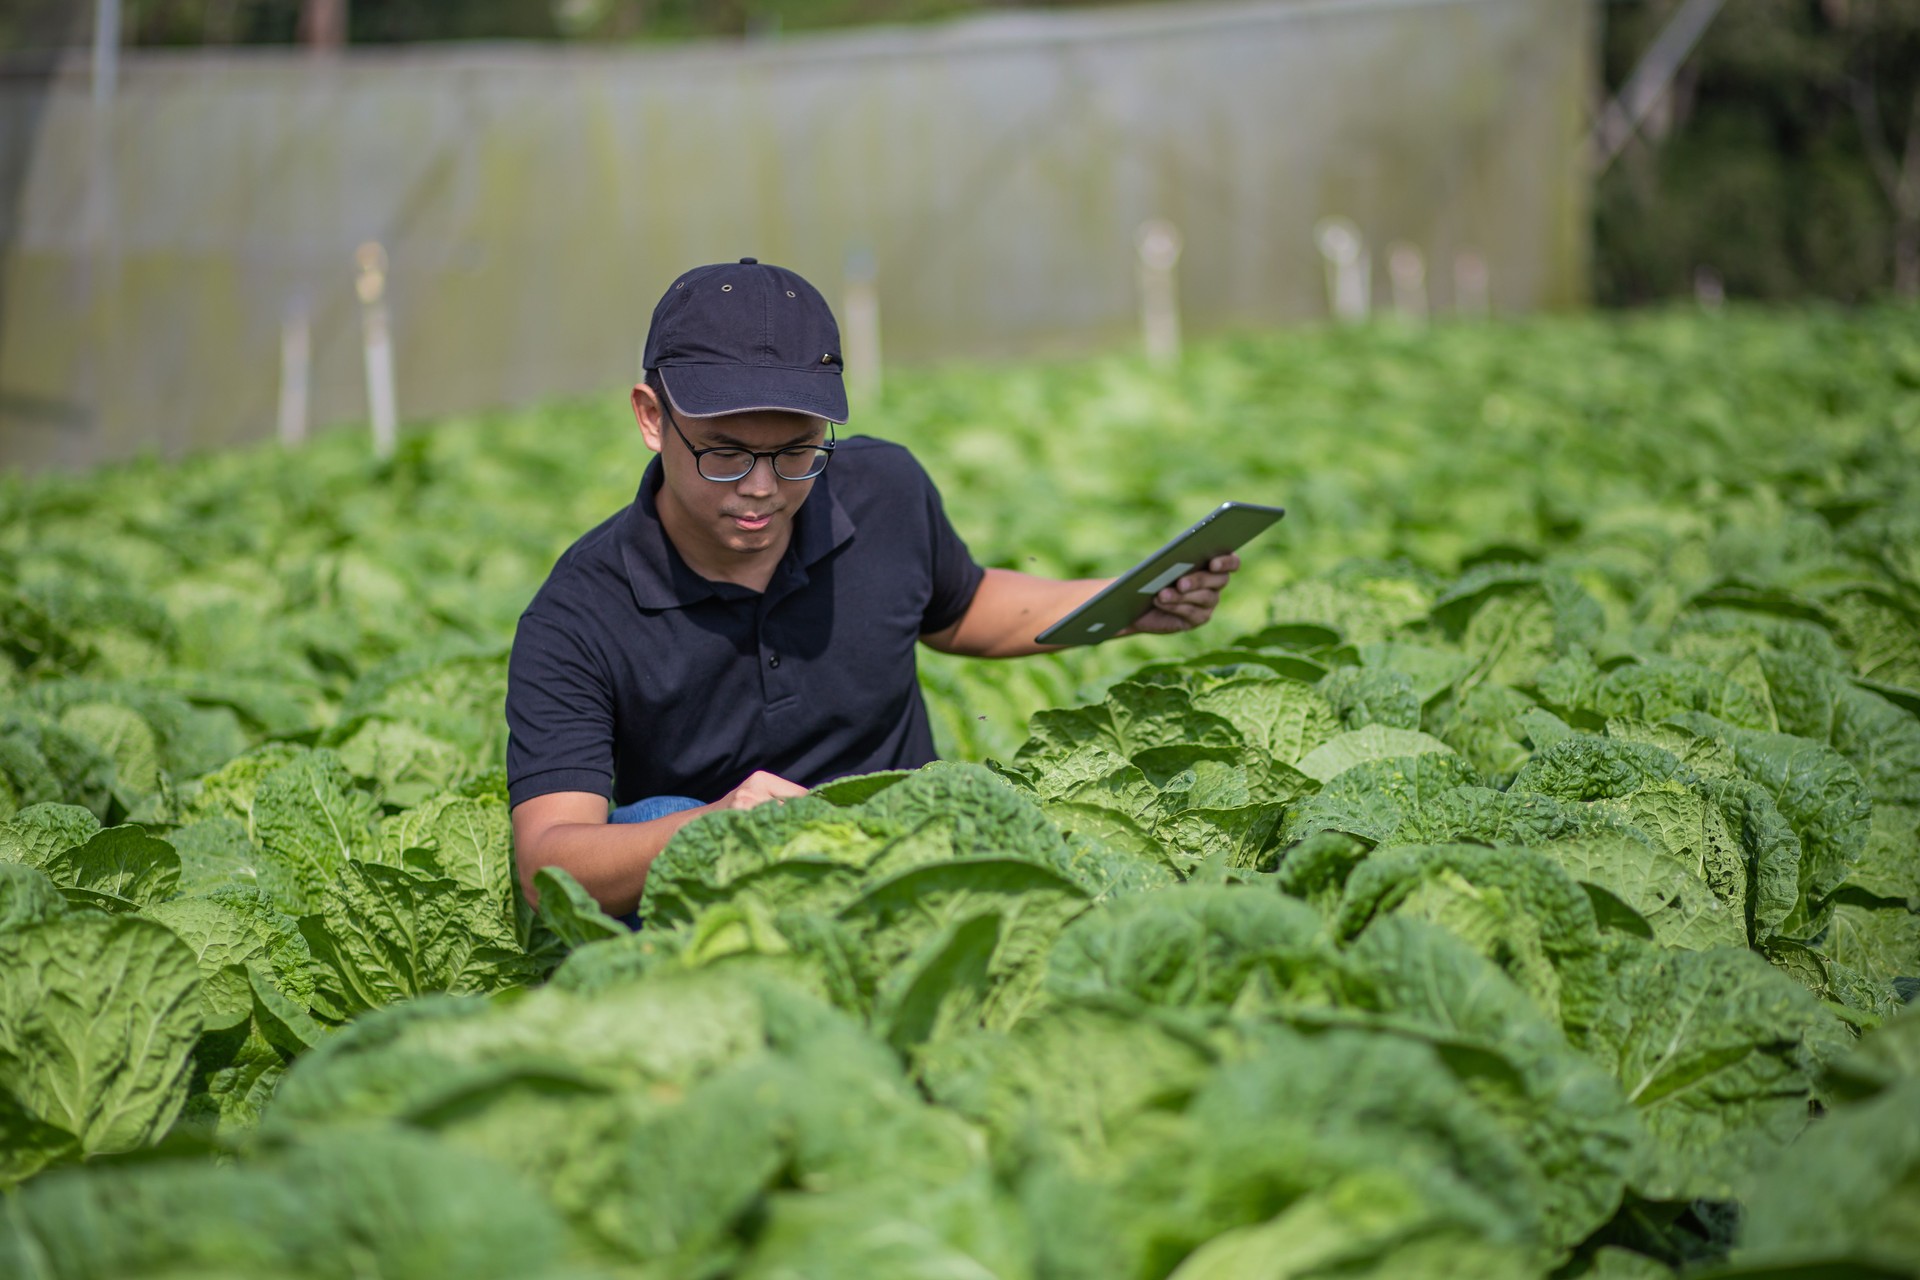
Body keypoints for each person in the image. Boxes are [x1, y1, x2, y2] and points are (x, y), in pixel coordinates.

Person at [506, 258, 1240, 921]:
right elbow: (546, 867)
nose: (761, 490)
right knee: (656, 815)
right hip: (725, 903)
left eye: (795, 453)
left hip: (909, 867)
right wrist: (720, 824)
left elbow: (964, 606)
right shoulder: (578, 614)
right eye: (725, 454)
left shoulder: (883, 491)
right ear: (651, 417)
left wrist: (1127, 601)